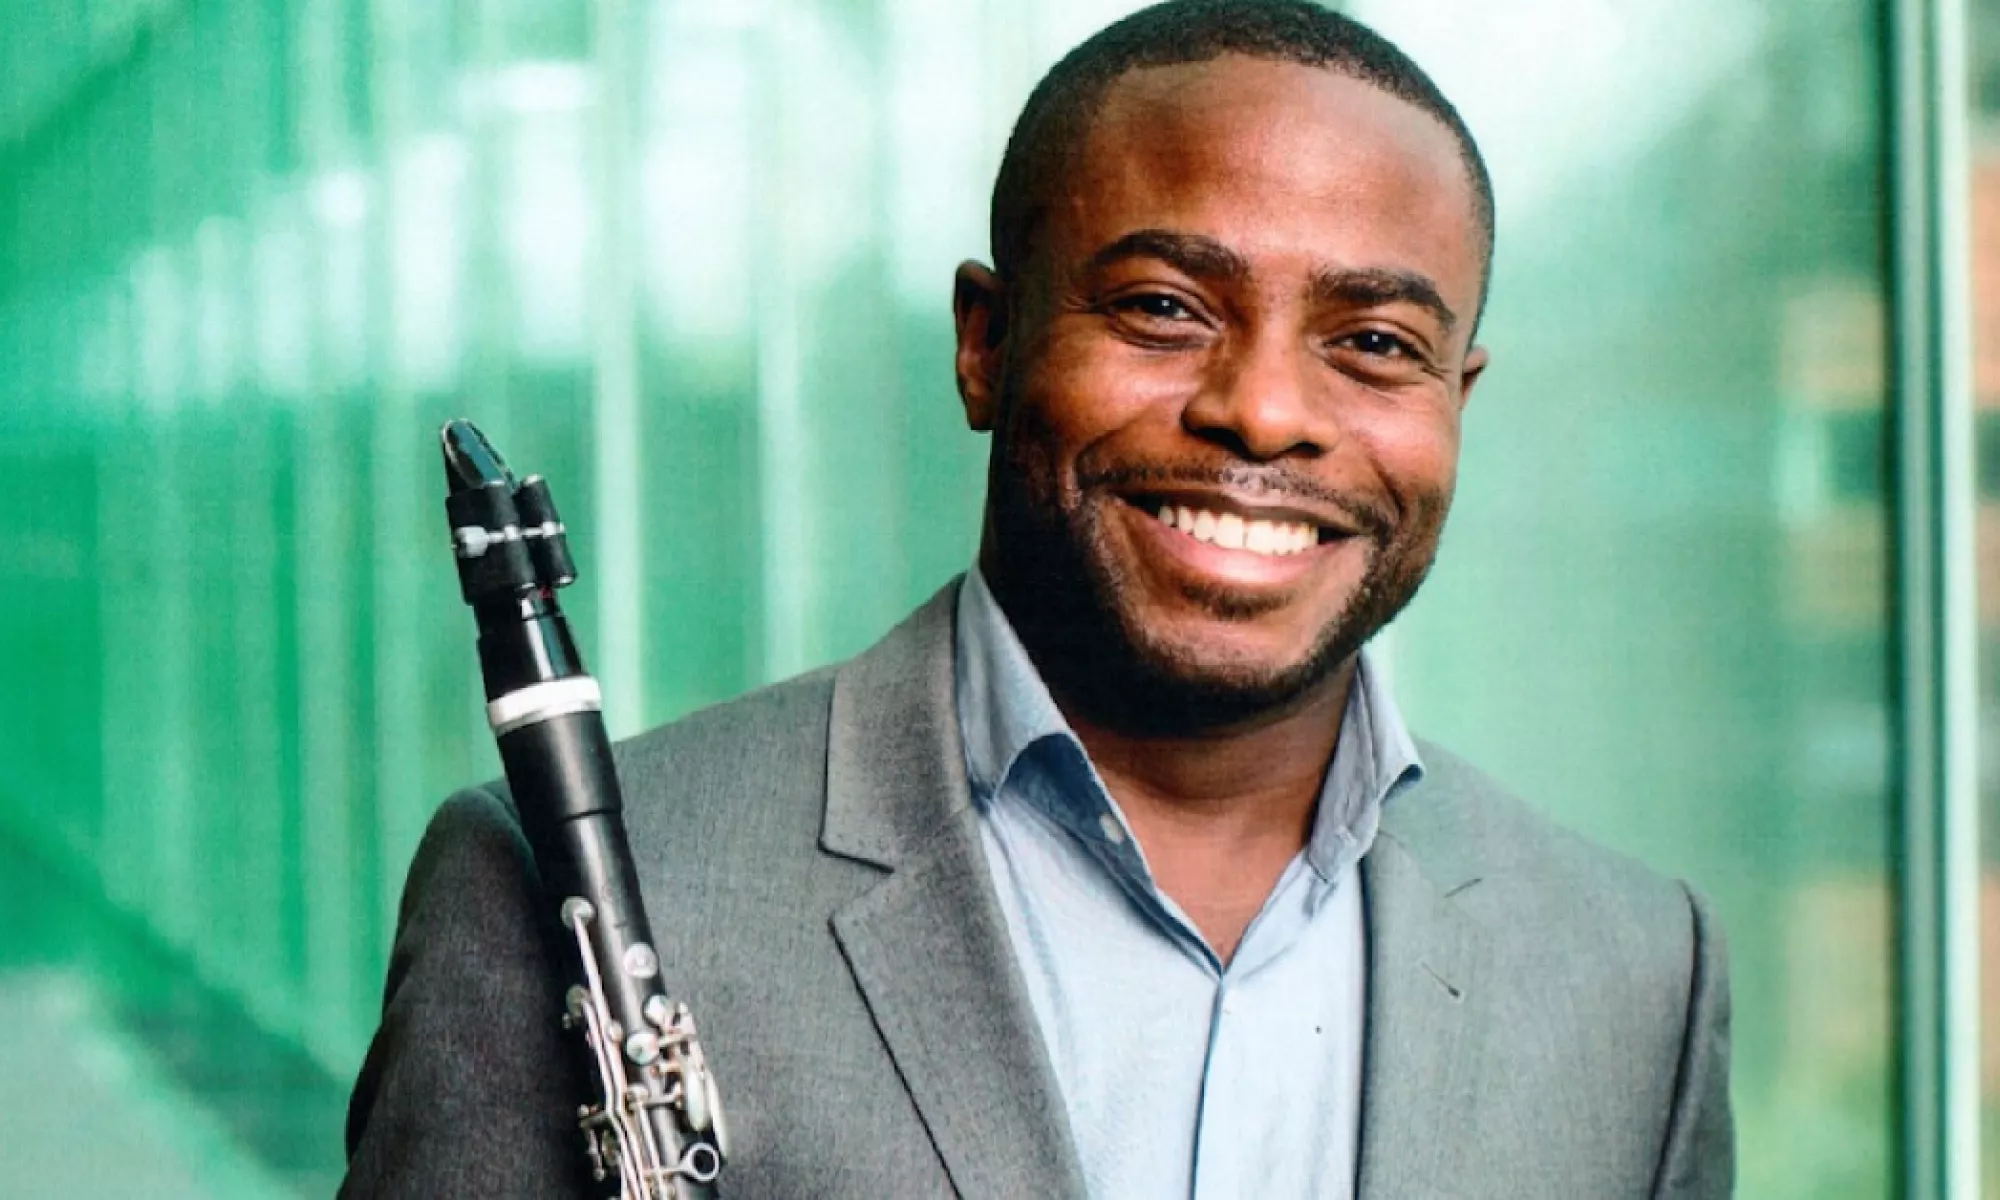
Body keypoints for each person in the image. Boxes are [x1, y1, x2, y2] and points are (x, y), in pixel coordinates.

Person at [341, 1, 1733, 1196]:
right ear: (986, 345)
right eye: (1163, 309)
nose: (1259, 412)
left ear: (1456, 400)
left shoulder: (1634, 975)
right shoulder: (570, 883)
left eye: (1373, 343)